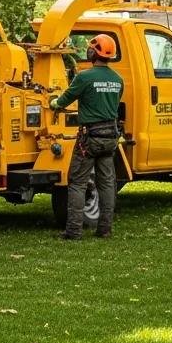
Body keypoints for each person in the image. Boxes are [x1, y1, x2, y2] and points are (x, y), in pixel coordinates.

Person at [49, 33, 123, 241]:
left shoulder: (84, 77)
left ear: (93, 52)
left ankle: (73, 231)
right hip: (110, 137)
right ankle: (105, 229)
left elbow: (64, 100)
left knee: (77, 182)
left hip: (89, 139)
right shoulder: (118, 80)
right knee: (107, 183)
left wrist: (53, 103)